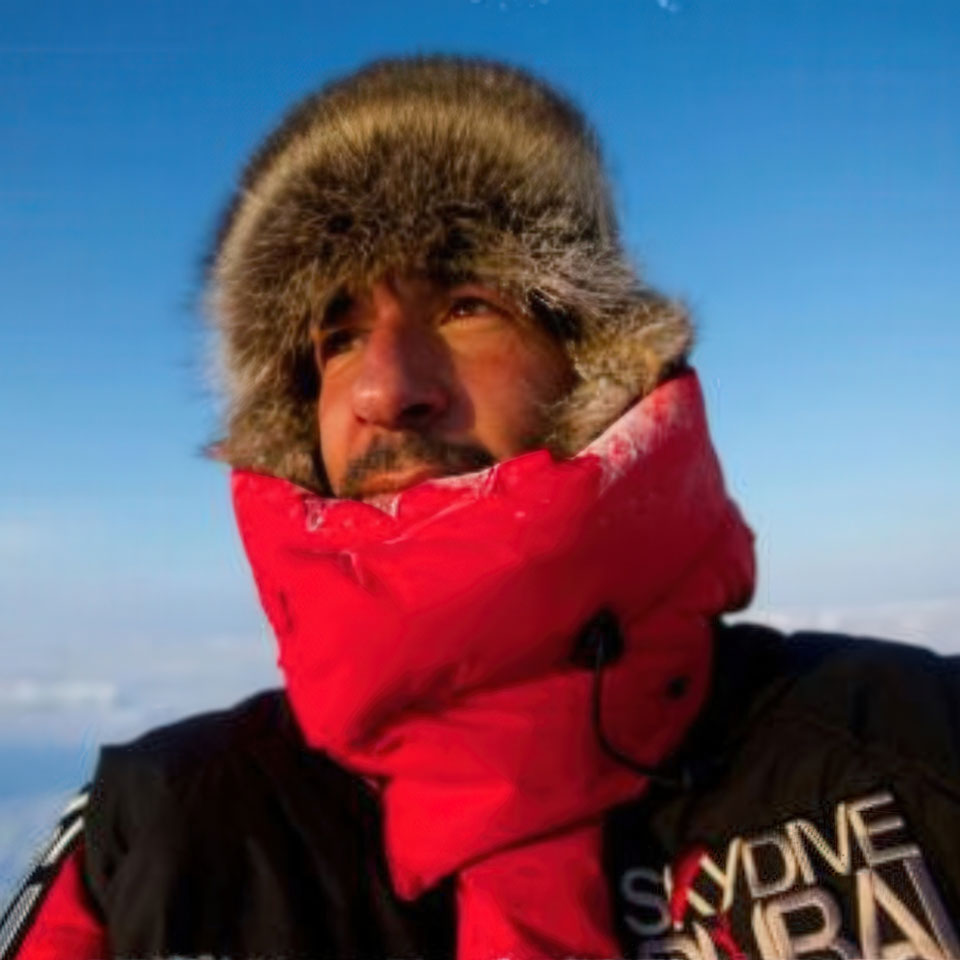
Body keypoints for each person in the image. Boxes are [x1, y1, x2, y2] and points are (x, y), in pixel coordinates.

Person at [3, 55, 959, 960]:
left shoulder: (910, 747)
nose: (384, 388)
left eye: (465, 304)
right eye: (336, 339)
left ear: (593, 366)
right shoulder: (166, 829)